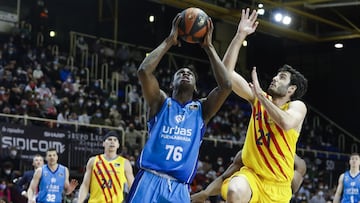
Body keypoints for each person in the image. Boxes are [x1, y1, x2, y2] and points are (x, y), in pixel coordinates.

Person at [126, 11, 232, 203]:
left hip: (180, 188)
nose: (185, 73)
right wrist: (169, 40)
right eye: (180, 73)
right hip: (149, 178)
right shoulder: (160, 102)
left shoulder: (202, 110)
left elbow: (226, 86)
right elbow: (144, 71)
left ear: (196, 86)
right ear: (171, 83)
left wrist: (208, 47)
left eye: (189, 73)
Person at [211, 8, 307, 203]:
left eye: (281, 78)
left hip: (278, 188)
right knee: (235, 190)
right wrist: (239, 36)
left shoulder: (296, 106)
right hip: (252, 178)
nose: (274, 79)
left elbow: (286, 123)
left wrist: (261, 98)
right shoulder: (258, 98)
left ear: (291, 90)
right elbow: (226, 73)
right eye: (276, 75)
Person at [191, 150, 307, 202]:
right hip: (249, 190)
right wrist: (206, 193)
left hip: (275, 194)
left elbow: (291, 189)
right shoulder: (248, 152)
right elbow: (224, 177)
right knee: (236, 189)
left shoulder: (294, 162)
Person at [77, 131, 135, 203]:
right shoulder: (93, 161)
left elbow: (133, 187)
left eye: (115, 140)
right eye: (109, 139)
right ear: (103, 143)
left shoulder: (125, 163)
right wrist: (79, 201)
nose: (112, 142)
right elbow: (85, 185)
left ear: (118, 145)